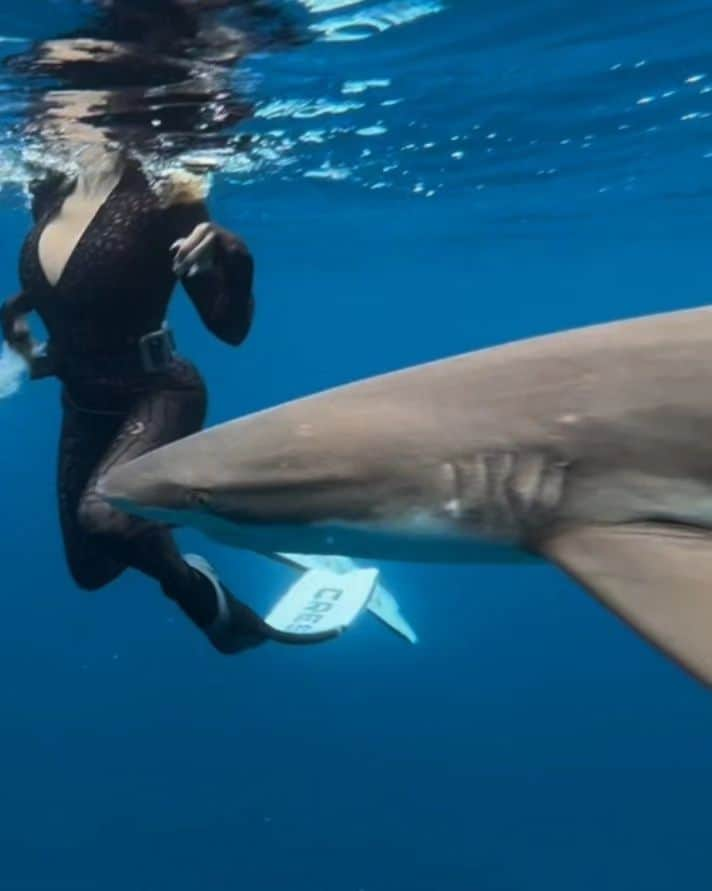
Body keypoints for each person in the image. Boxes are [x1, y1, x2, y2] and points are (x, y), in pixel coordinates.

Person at [1, 139, 275, 654]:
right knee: (91, 568)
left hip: (157, 392)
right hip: (81, 399)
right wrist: (25, 341)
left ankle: (212, 605)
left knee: (105, 518)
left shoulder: (168, 187)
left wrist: (234, 258)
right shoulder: (48, 184)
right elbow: (79, 299)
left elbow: (229, 328)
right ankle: (161, 519)